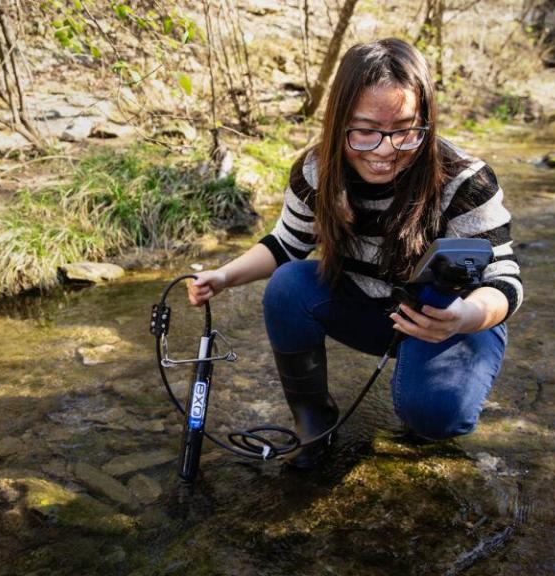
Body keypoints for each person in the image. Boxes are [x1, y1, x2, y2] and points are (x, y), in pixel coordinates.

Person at [186, 38, 522, 469]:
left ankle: (430, 400)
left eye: (404, 130)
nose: (385, 150)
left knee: (434, 418)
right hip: (370, 309)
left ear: (426, 121)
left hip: (455, 316)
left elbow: (504, 279)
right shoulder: (316, 170)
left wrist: (466, 318)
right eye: (365, 131)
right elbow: (286, 244)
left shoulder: (464, 180)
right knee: (288, 287)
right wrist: (224, 276)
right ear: (338, 121)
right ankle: (314, 426)